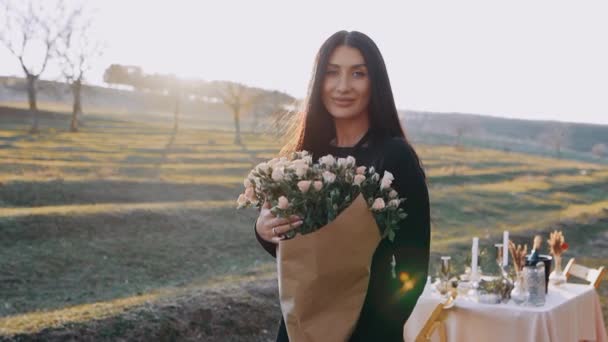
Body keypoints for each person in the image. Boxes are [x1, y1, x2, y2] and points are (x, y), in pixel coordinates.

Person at [254, 30, 430, 342]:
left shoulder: (395, 157)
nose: (343, 86)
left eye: (358, 73)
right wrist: (264, 230)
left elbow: (413, 269)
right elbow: (299, 254)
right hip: (301, 328)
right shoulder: (304, 157)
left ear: (375, 82)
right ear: (318, 81)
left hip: (370, 331)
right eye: (332, 72)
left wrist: (382, 327)